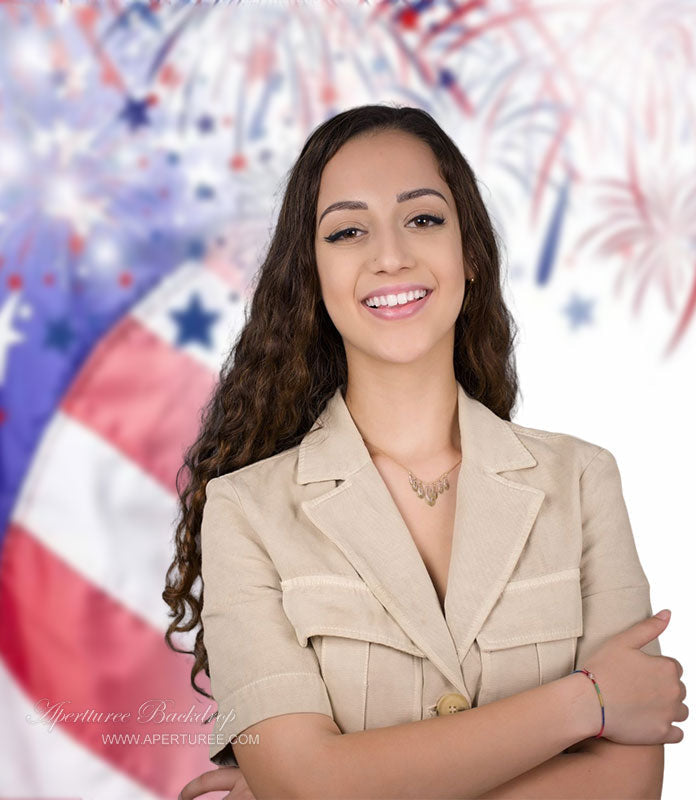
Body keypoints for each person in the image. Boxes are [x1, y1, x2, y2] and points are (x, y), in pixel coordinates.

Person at [163, 104, 687, 800]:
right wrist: (585, 703)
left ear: (468, 251)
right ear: (311, 276)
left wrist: (332, 786)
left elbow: (627, 785)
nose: (390, 255)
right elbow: (306, 783)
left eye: (423, 218)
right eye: (348, 231)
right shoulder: (244, 512)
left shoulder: (584, 481)